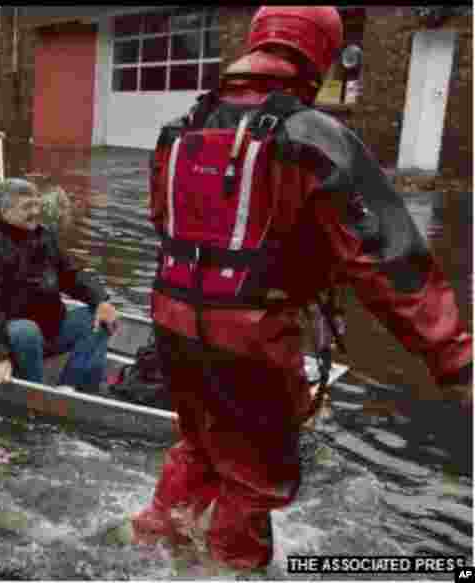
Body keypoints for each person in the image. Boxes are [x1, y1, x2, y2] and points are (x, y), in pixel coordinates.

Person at [134, 6, 473, 571]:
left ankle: (154, 543)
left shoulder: (182, 128)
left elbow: (165, 223)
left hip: (171, 322)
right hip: (250, 341)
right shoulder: (313, 135)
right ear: (318, 54)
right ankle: (230, 568)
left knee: (201, 446)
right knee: (256, 477)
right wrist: (456, 362)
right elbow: (388, 260)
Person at [0, 178, 119, 391]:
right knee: (26, 331)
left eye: (37, 204)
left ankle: (72, 388)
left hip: (44, 333)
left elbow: (71, 275)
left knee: (99, 318)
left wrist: (101, 300)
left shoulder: (44, 236)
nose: (36, 211)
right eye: (27, 207)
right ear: (5, 210)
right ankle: (37, 391)